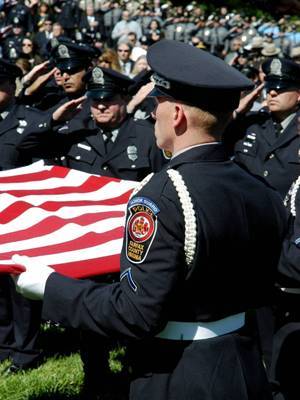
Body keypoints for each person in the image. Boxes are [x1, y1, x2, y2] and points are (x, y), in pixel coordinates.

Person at [12, 39, 287, 400]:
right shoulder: (259, 188)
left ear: (176, 115)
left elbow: (135, 313)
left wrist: (51, 287)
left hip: (179, 373)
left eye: (156, 105)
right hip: (243, 363)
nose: (151, 114)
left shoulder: (162, 196)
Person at [0, 59, 44, 373]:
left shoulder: (29, 120)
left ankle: (26, 350)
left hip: (21, 217)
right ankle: (3, 344)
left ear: (11, 86)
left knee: (21, 288)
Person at [230, 57, 300, 199]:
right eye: (270, 87)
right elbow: (215, 142)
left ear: (298, 95)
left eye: (281, 88)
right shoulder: (252, 122)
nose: (272, 93)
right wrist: (237, 112)